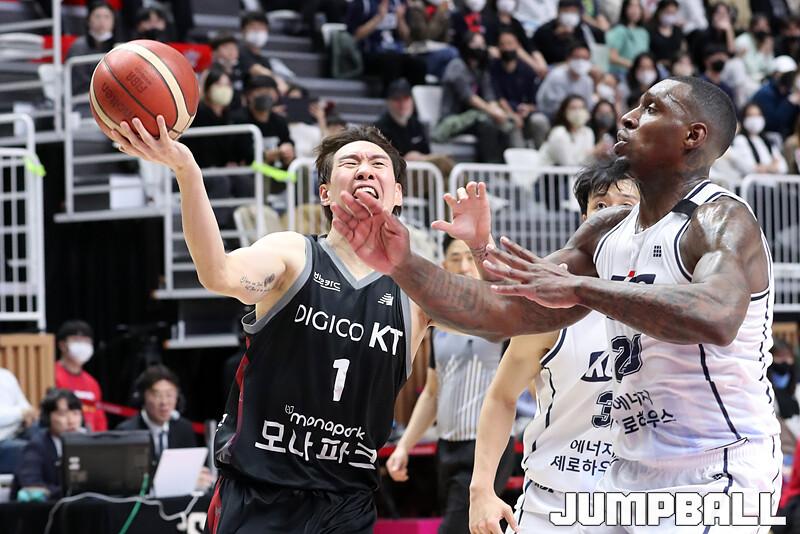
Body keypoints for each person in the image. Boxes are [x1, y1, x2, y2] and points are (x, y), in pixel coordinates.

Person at [332, 75, 782, 526]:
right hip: (630, 472)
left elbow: (716, 317)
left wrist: (582, 289)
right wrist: (403, 263)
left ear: (693, 136)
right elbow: (501, 310)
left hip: (719, 464)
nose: (628, 117)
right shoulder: (605, 233)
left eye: (650, 109)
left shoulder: (721, 218)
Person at [109, 121, 434, 533]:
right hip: (261, 494)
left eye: (377, 163)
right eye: (350, 163)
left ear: (398, 193)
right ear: (325, 193)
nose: (365, 169)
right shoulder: (294, 254)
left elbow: (499, 324)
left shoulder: (418, 290)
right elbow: (219, 274)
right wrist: (187, 171)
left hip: (347, 503)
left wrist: (479, 248)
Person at [464, 161, 639, 533]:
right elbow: (502, 396)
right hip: (555, 504)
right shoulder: (550, 301)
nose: (612, 215)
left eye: (627, 205)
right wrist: (481, 489)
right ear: (584, 220)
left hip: (638, 506)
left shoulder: (670, 303)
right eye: (601, 206)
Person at [385, 235, 515, 534]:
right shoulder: (436, 325)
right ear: (444, 265)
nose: (464, 266)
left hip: (486, 446)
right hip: (447, 447)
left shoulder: (505, 318)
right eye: (456, 258)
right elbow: (432, 393)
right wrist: (403, 446)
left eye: (471, 258)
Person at [433, 32, 515, 163]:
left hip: (475, 117)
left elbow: (489, 96)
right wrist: (493, 112)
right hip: (452, 119)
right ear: (466, 46)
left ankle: (506, 168)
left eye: (482, 45)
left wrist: (498, 112)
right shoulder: (456, 66)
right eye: (475, 44)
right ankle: (490, 167)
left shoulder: (481, 69)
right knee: (486, 123)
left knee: (505, 125)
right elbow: (469, 97)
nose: (479, 48)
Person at [116, 365, 199, 461]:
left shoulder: (184, 429)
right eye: (157, 395)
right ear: (142, 397)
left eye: (169, 395)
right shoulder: (127, 433)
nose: (164, 402)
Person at [14, 389, 82, 501]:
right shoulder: (35, 447)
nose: (71, 421)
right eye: (63, 414)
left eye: (75, 413)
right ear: (47, 417)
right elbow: (32, 486)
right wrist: (73, 493)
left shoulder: (86, 443)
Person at [346, 0, 427, 92]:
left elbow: (406, 38)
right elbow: (354, 36)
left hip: (395, 52)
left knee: (418, 64)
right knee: (391, 61)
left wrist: (400, 20)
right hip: (368, 53)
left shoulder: (398, 3)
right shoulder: (362, 4)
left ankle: (414, 99)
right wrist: (379, 17)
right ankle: (389, 97)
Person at [490, 30, 548, 148]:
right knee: (511, 124)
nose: (506, 48)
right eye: (502, 44)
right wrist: (512, 115)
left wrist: (528, 108)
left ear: (517, 45)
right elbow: (498, 97)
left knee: (539, 121)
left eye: (510, 44)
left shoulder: (527, 70)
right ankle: (519, 157)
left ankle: (543, 155)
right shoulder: (493, 68)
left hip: (526, 113)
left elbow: (536, 102)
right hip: (505, 113)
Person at [54, 319, 107, 432]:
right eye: (77, 340)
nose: (83, 346)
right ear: (62, 345)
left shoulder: (92, 383)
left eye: (87, 341)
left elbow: (99, 420)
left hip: (90, 439)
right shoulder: (52, 375)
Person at [65, 1, 115, 95]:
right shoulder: (78, 47)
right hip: (83, 98)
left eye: (107, 17)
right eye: (97, 16)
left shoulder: (119, 47)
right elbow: (79, 85)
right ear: (88, 20)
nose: (102, 21)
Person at [535, 42, 595, 120]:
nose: (581, 62)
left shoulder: (588, 81)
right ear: (568, 59)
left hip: (578, 117)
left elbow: (588, 106)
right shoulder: (556, 76)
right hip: (552, 116)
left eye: (585, 58)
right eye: (577, 57)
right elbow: (552, 106)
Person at [728, 102, 787, 180]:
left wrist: (765, 168)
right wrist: (770, 167)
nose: (755, 119)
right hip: (753, 185)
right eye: (750, 115)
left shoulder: (766, 141)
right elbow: (748, 167)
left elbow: (783, 167)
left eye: (758, 115)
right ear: (744, 119)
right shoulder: (740, 140)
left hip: (771, 184)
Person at [533, 0, 605, 64]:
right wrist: (557, 36)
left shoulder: (584, 29)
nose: (570, 15)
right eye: (566, 11)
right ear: (558, 12)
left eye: (573, 12)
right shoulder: (545, 31)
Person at [238, 11, 290, 95]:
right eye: (253, 27)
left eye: (261, 27)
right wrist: (277, 80)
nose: (257, 31)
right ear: (243, 30)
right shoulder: (238, 51)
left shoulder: (265, 61)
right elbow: (256, 69)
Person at [752, 55, 800, 138]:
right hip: (768, 135)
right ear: (775, 74)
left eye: (791, 74)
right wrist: (789, 103)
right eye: (785, 74)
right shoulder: (765, 93)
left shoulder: (789, 92)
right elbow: (772, 123)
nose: (789, 78)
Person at [539, 95, 595, 166]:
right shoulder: (559, 133)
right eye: (573, 108)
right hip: (548, 172)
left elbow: (588, 164)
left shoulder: (588, 132)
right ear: (564, 112)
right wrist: (593, 153)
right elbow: (568, 164)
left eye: (581, 108)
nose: (578, 112)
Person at [0, 368, 37, 473]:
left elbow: (26, 406)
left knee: (47, 434)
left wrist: (27, 413)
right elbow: (23, 411)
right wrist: (21, 413)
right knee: (30, 450)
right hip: (2, 440)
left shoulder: (6, 375)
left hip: (19, 430)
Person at [605, 0, 649, 76]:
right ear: (625, 9)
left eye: (637, 7)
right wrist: (634, 66)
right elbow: (612, 57)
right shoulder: (619, 30)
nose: (635, 10)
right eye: (631, 6)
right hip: (620, 74)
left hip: (639, 74)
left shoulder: (644, 32)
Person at [647, 0, 685, 66]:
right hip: (656, 65)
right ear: (659, 12)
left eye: (673, 13)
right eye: (667, 12)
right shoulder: (650, 30)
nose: (670, 16)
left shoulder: (678, 31)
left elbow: (683, 50)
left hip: (675, 66)